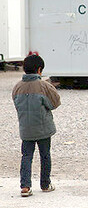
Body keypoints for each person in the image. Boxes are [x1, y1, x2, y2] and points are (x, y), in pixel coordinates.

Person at [13, 54, 61, 197]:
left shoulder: (17, 87)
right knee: (45, 155)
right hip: (43, 128)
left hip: (25, 128)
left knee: (26, 156)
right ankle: (45, 184)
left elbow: (16, 105)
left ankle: (25, 186)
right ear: (39, 70)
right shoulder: (44, 86)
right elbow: (54, 103)